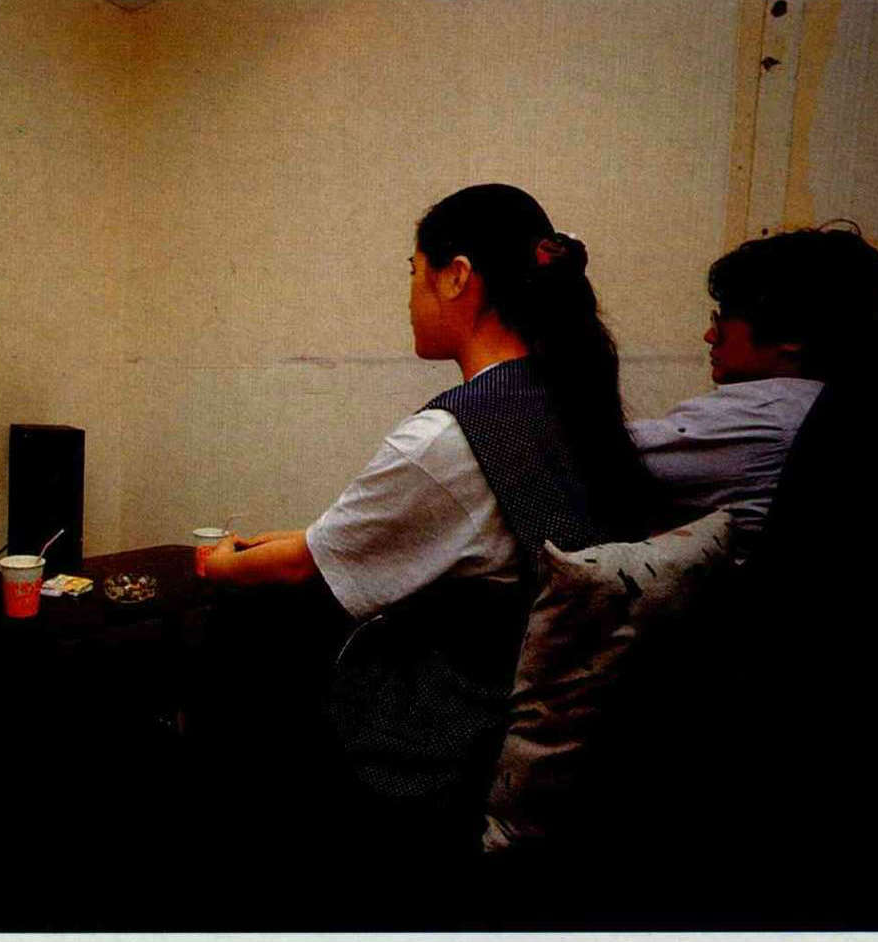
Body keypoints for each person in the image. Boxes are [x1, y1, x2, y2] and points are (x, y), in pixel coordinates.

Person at [200, 183, 656, 864]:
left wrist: (219, 563)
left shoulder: (447, 438)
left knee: (249, 642)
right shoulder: (563, 398)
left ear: (456, 276)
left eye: (413, 273)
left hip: (446, 738)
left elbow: (302, 568)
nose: (409, 296)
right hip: (547, 722)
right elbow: (402, 534)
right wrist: (304, 540)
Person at [628, 225, 878, 561]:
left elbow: (598, 457)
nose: (710, 335)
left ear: (790, 337)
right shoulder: (827, 405)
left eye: (723, 319)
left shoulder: (771, 410)